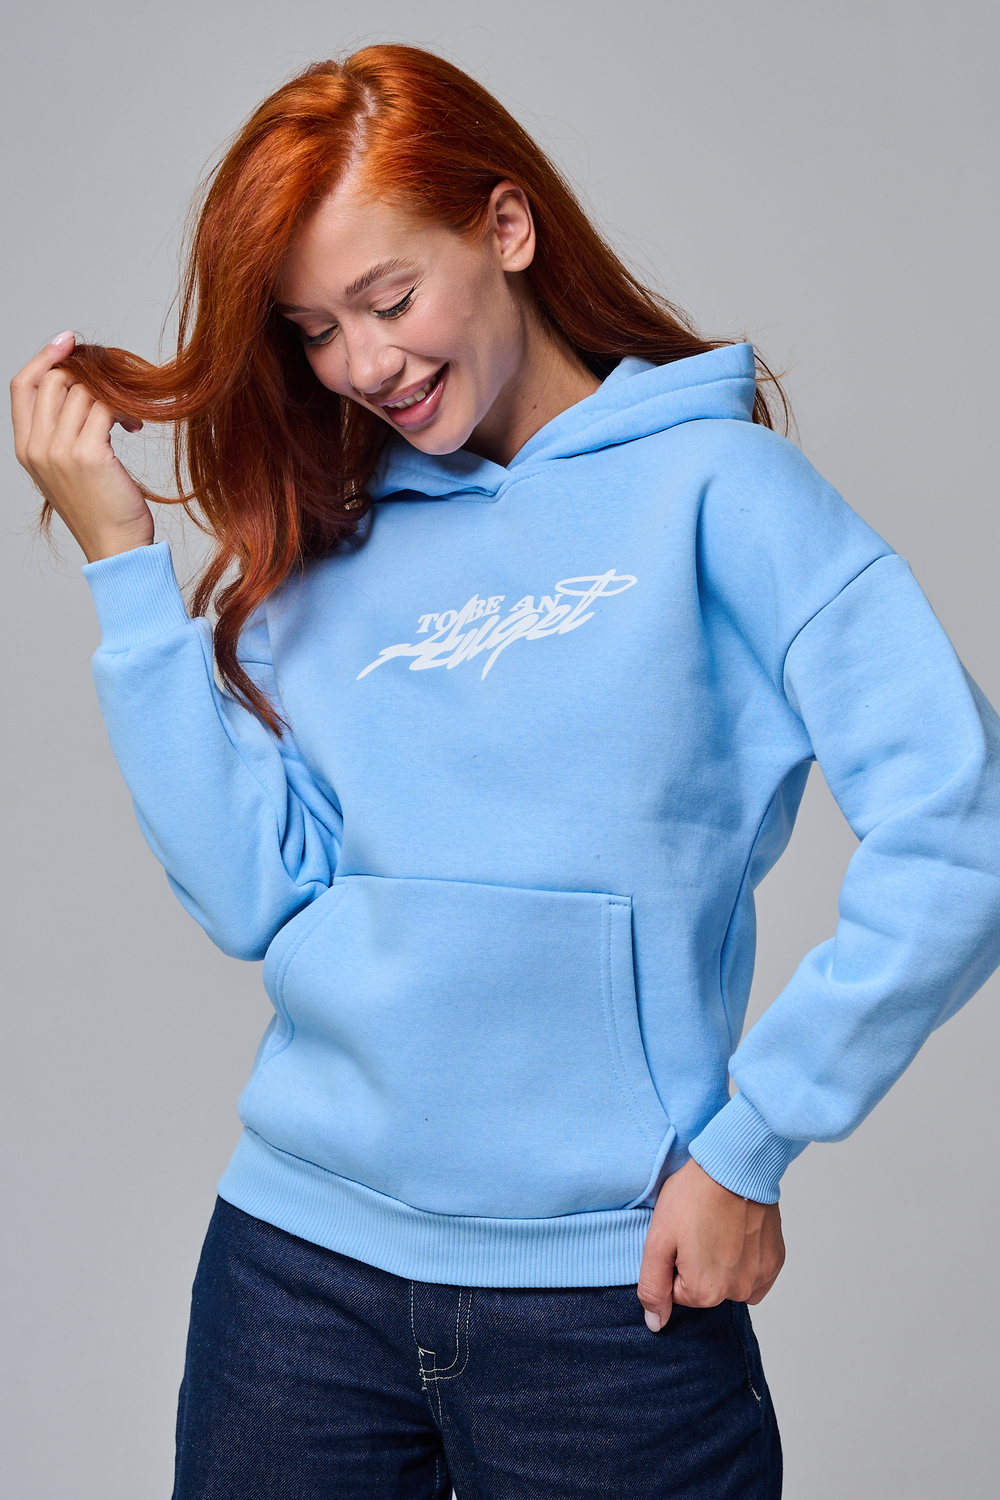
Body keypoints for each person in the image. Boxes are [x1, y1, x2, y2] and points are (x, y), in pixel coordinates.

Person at [10, 43, 1000, 1500]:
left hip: (612, 1301)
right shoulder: (333, 540)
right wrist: (119, 565)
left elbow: (961, 831)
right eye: (314, 330)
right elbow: (250, 895)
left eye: (388, 298)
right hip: (295, 1283)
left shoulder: (724, 497)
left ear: (507, 227)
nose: (363, 366)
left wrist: (753, 1141)